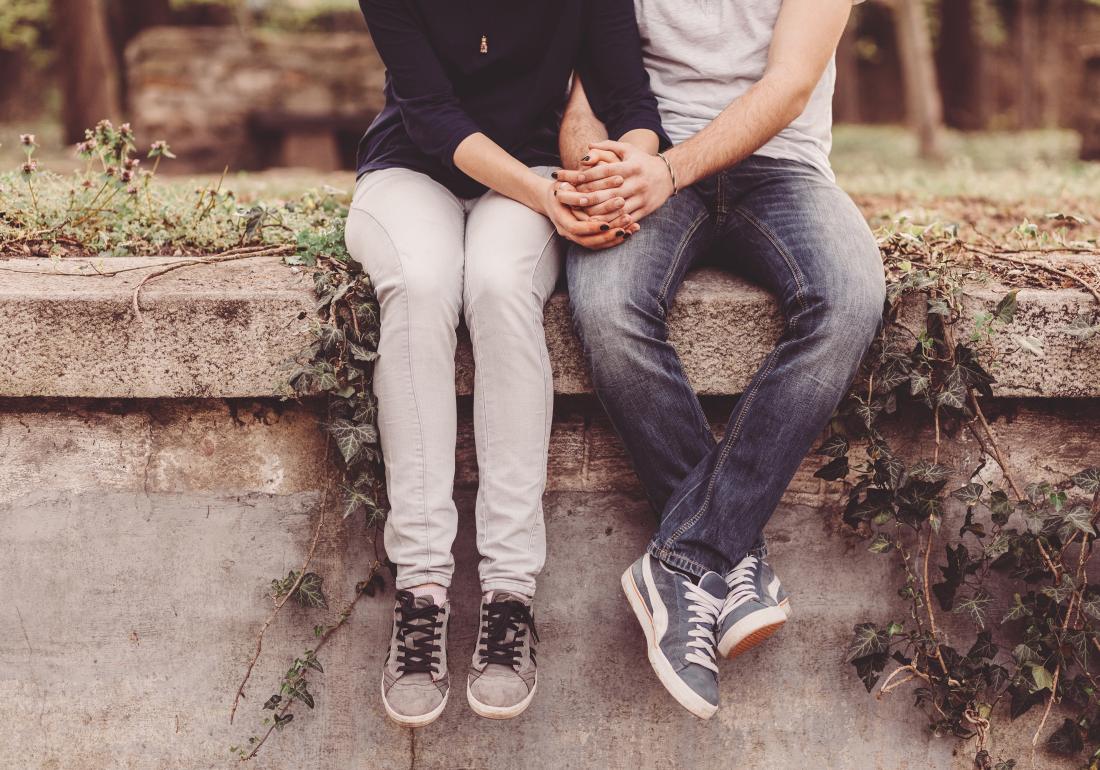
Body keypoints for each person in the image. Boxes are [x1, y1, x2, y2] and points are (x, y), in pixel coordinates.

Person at [555, 0, 885, 719]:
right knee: (609, 308)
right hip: (648, 158)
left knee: (850, 298)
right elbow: (583, 80)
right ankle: (732, 556)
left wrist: (669, 171)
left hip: (782, 169)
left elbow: (789, 86)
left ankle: (684, 560)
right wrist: (596, 169)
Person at [345, 0, 666, 727]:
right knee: (422, 286)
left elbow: (632, 100)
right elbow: (431, 116)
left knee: (497, 287)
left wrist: (626, 164)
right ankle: (422, 593)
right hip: (410, 172)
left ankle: (509, 595)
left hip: (535, 175)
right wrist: (548, 198)